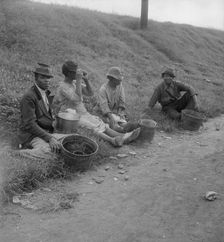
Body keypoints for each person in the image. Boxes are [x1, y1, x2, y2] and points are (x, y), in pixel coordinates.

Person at [53, 61, 140, 147]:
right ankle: (112, 140)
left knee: (99, 123)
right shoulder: (63, 86)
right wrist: (79, 79)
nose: (77, 73)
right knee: (91, 127)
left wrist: (86, 80)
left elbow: (90, 93)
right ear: (69, 73)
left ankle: (122, 136)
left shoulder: (74, 83)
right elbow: (77, 98)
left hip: (81, 113)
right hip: (69, 116)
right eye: (75, 72)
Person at [18, 63, 64, 159]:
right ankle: (18, 154)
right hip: (31, 136)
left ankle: (46, 148)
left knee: (73, 138)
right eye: (43, 77)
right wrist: (50, 138)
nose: (47, 80)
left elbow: (46, 115)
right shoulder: (29, 97)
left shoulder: (45, 93)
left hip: (45, 132)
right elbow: (30, 125)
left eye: (48, 77)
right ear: (36, 78)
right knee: (52, 152)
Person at [96, 67, 128, 132]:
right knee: (112, 124)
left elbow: (122, 100)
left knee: (124, 123)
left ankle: (126, 129)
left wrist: (120, 112)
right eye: (118, 79)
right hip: (104, 113)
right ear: (112, 79)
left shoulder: (120, 86)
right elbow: (104, 106)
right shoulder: (103, 90)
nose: (120, 81)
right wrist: (111, 118)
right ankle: (120, 132)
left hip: (115, 111)